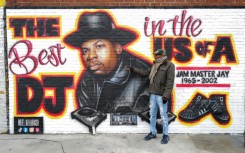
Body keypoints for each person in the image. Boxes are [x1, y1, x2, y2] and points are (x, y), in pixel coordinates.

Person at [63, 11, 151, 133]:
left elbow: (141, 124)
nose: (90, 56)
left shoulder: (144, 77)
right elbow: (88, 120)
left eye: (99, 46)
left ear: (117, 48)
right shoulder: (87, 81)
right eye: (85, 51)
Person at [128, 49, 175, 144]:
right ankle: (152, 132)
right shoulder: (155, 65)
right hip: (153, 94)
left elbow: (170, 82)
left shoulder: (170, 65)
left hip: (162, 96)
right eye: (154, 54)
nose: (155, 56)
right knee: (152, 115)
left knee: (163, 116)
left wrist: (166, 96)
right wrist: (134, 70)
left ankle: (166, 135)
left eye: (156, 54)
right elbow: (145, 73)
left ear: (162, 55)